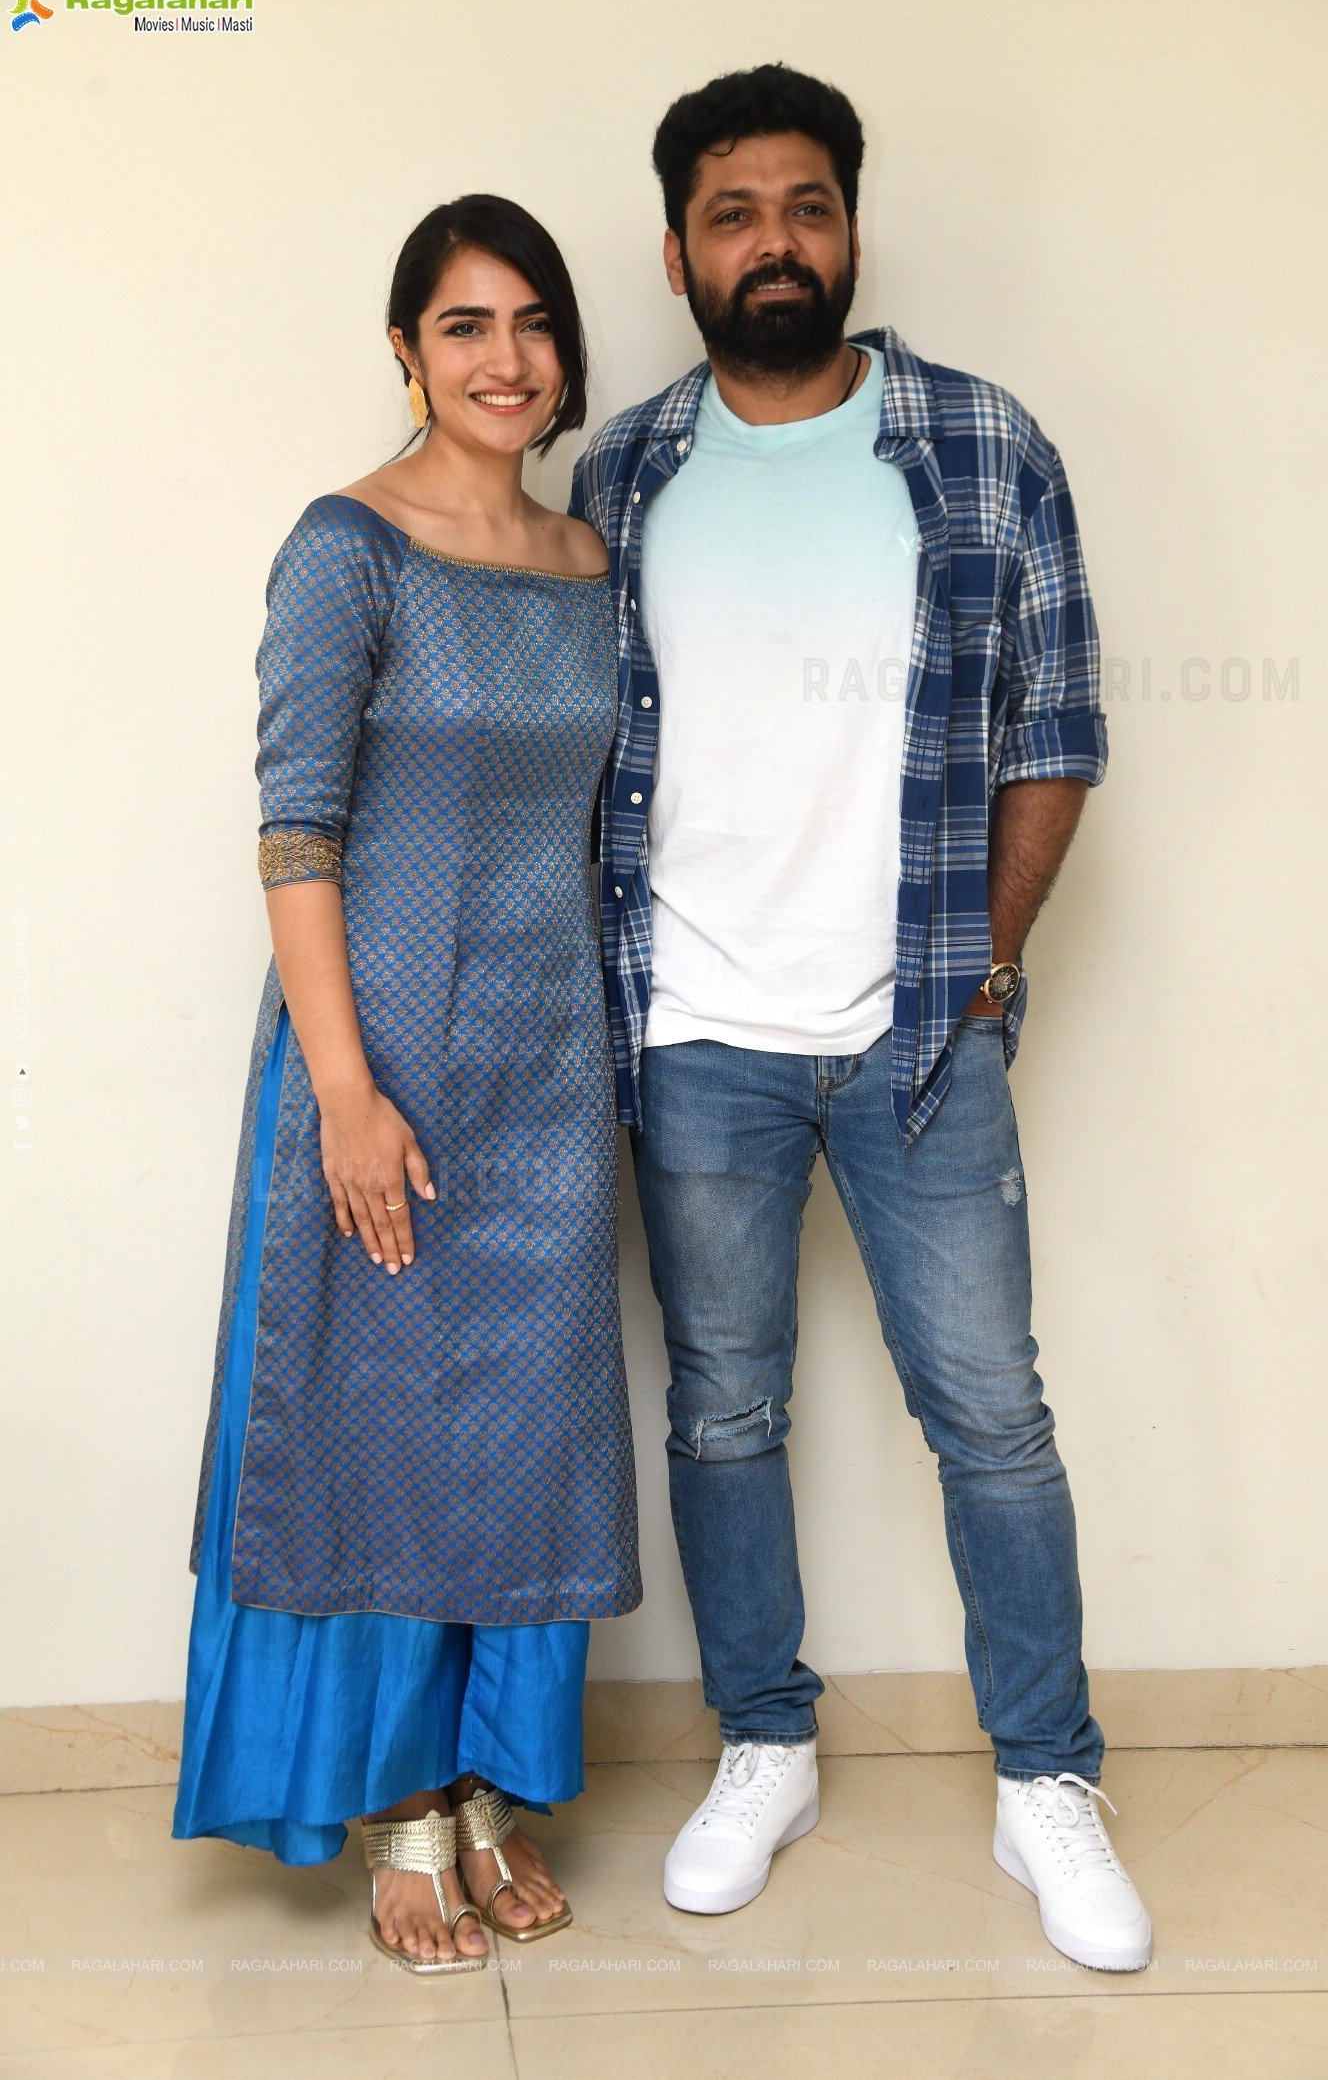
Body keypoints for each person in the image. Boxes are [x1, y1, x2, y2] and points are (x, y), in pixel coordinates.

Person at [568, 64, 1152, 1973]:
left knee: (991, 1414)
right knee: (723, 1410)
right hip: (694, 1035)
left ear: (851, 231)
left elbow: (1059, 725)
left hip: (920, 1031)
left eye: (807, 207)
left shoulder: (983, 442)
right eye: (734, 214)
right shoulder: (621, 477)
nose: (776, 243)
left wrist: (978, 971)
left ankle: (1045, 1779)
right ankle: (766, 1744)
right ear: (678, 253)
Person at [173, 194, 641, 1974]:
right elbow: (297, 833)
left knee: (525, 1438)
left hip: (549, 1069)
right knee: (380, 1428)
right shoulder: (346, 549)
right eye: (464, 324)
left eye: (532, 322)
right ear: (405, 349)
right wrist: (348, 1095)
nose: (505, 359)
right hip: (377, 1065)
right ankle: (399, 1811)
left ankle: (491, 1788)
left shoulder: (591, 564)